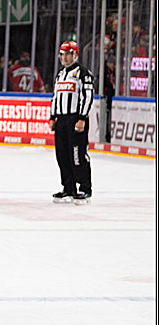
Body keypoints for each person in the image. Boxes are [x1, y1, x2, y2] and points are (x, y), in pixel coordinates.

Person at [50, 41, 93, 204]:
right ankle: (68, 188)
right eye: (62, 54)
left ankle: (84, 189)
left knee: (77, 155)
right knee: (62, 155)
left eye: (68, 54)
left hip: (75, 119)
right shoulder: (60, 75)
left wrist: (82, 118)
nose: (64, 57)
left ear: (75, 55)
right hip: (61, 121)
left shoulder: (83, 73)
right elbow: (55, 97)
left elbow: (88, 97)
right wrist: (52, 117)